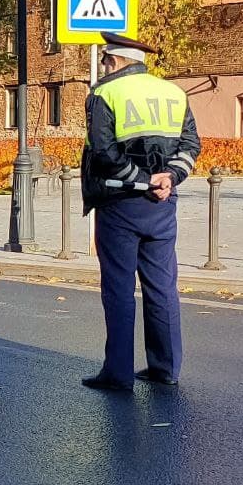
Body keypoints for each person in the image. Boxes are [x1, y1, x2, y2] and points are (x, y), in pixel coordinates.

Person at [80, 32, 202, 392]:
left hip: (120, 204)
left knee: (118, 288)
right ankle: (165, 368)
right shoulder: (174, 93)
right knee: (162, 286)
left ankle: (118, 373)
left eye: (104, 60)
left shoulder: (105, 93)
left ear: (115, 60)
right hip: (163, 205)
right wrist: (170, 177)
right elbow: (191, 144)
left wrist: (141, 180)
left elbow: (103, 152)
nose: (102, 66)